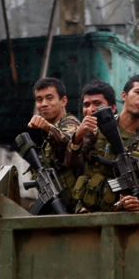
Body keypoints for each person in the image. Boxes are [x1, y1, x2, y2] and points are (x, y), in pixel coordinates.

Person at [67, 76, 139, 212]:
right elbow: (72, 163)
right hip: (87, 213)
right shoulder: (97, 129)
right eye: (138, 92)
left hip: (123, 217)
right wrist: (78, 136)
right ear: (124, 95)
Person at [25, 77, 81, 207]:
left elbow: (69, 141)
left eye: (49, 98)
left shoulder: (70, 123)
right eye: (39, 100)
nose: (44, 104)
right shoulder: (47, 133)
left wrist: (47, 127)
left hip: (72, 205)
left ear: (63, 101)